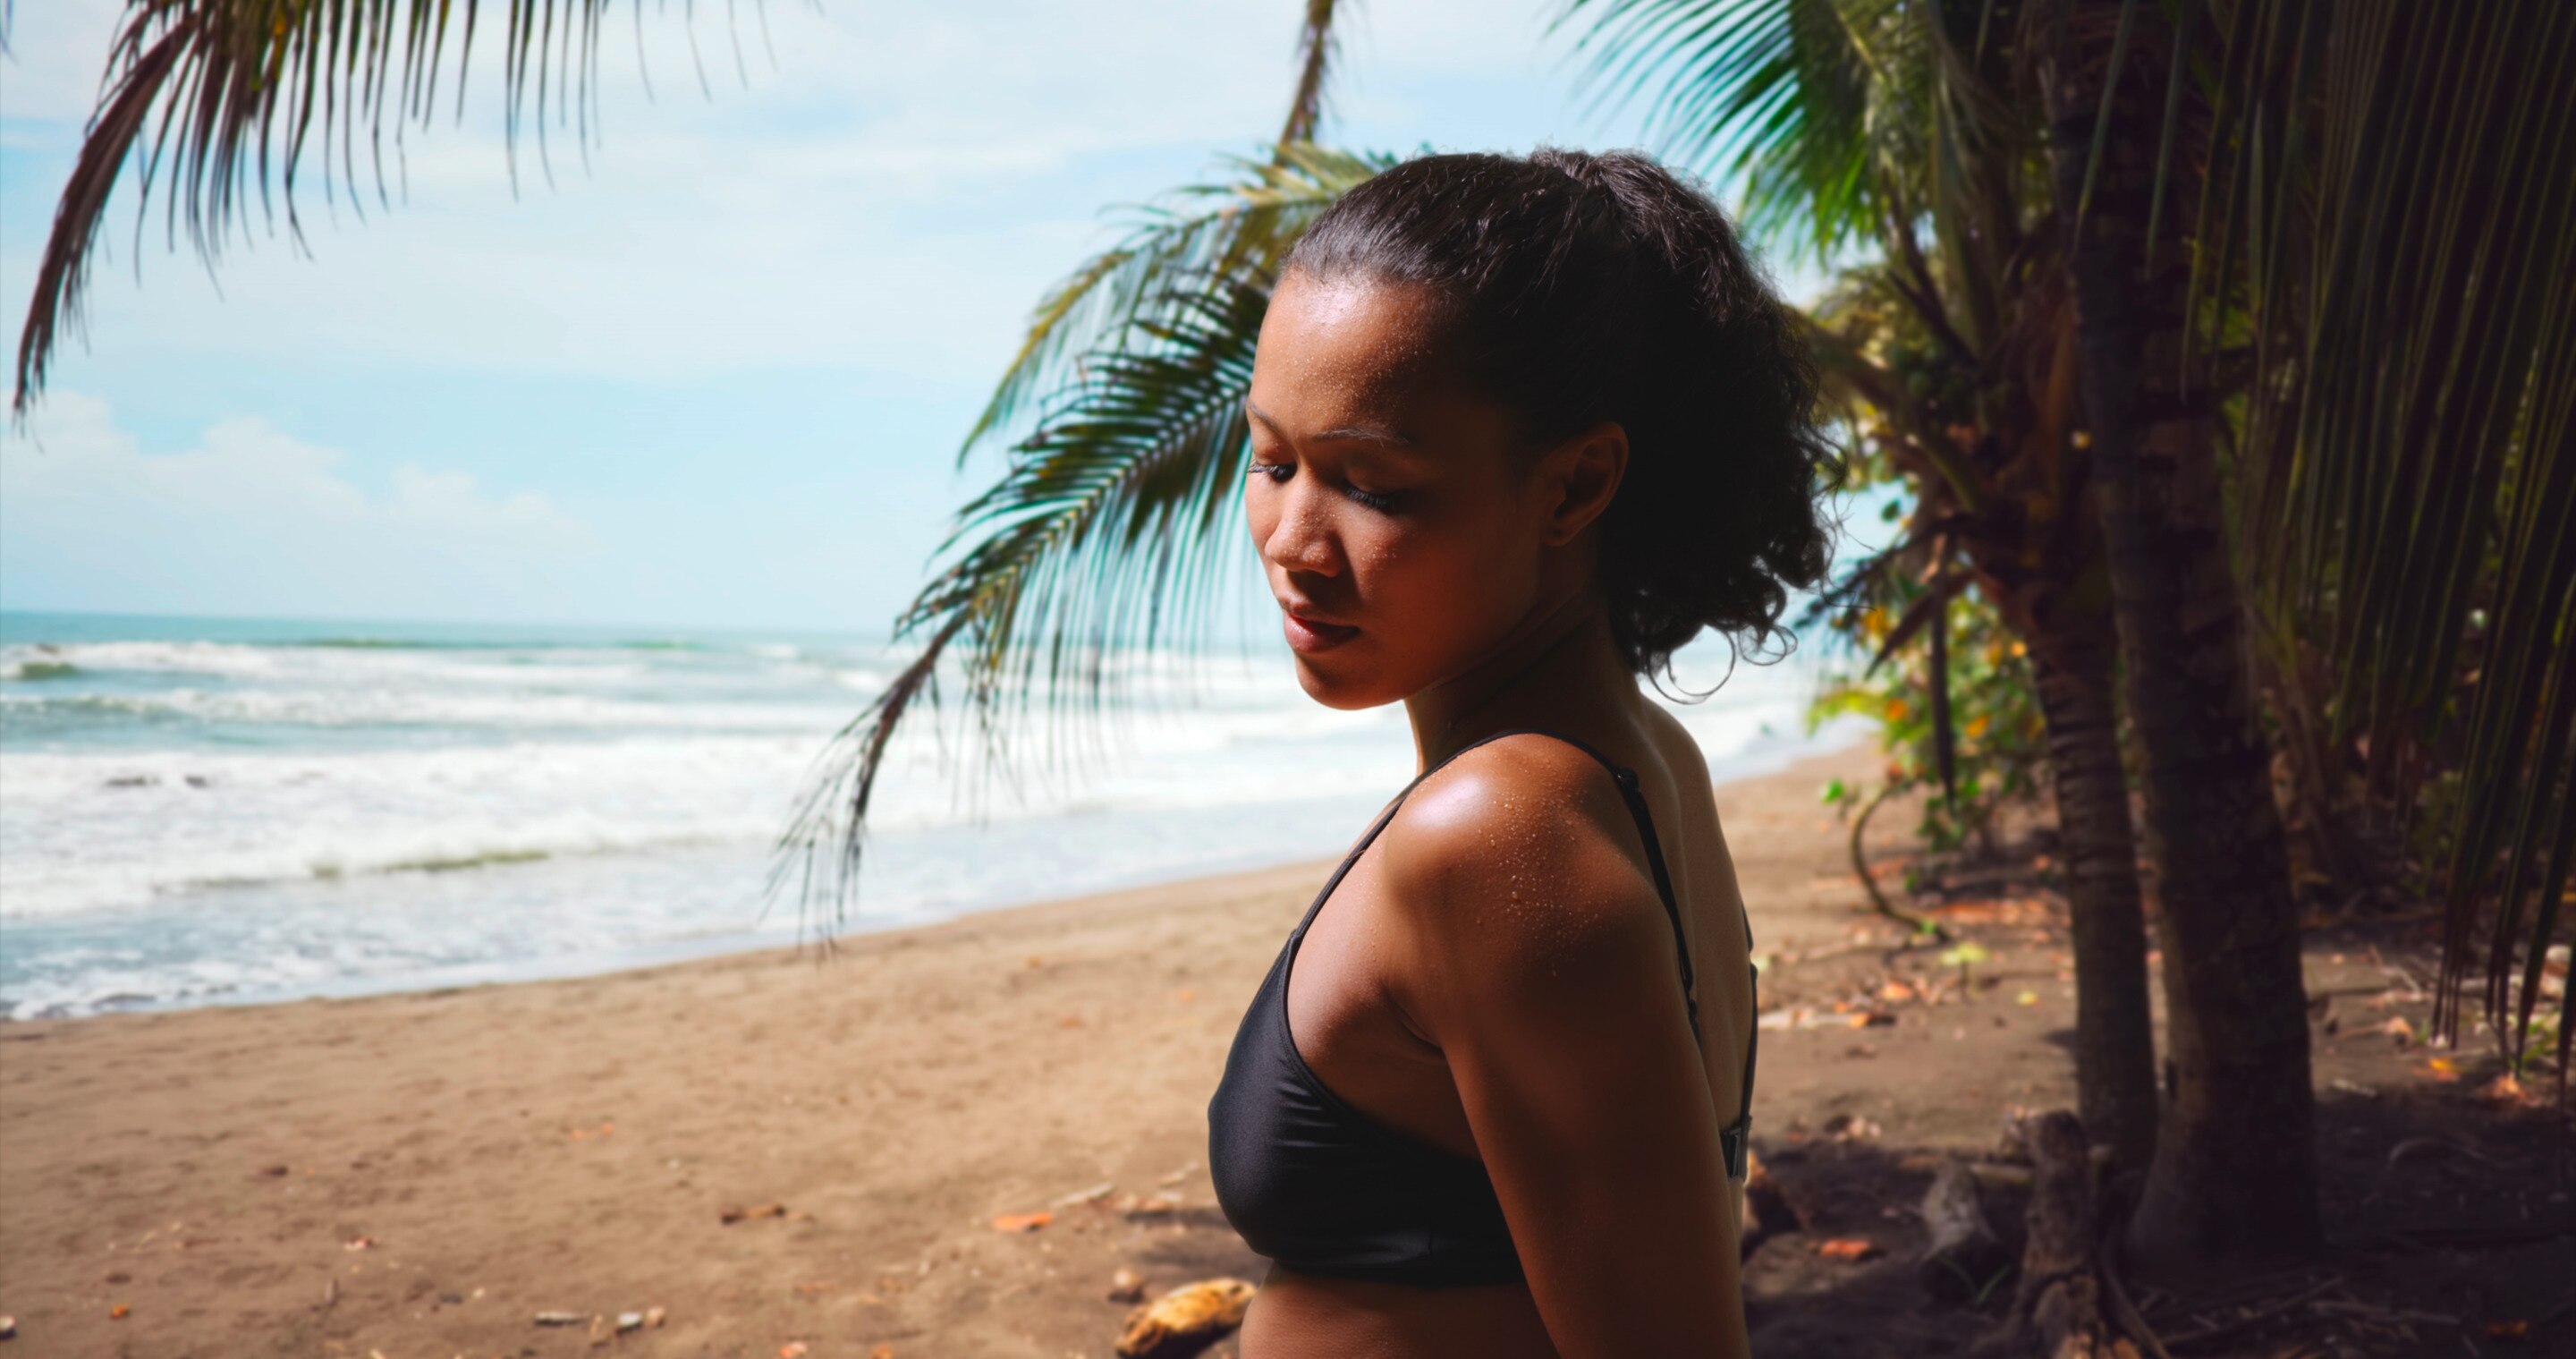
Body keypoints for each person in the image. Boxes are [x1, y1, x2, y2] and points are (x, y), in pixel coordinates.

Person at [1204, 148, 1839, 1357]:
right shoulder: (1637, 759)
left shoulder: (1502, 830)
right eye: (1273, 460)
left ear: (1574, 486)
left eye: (1372, 486)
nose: (1292, 540)